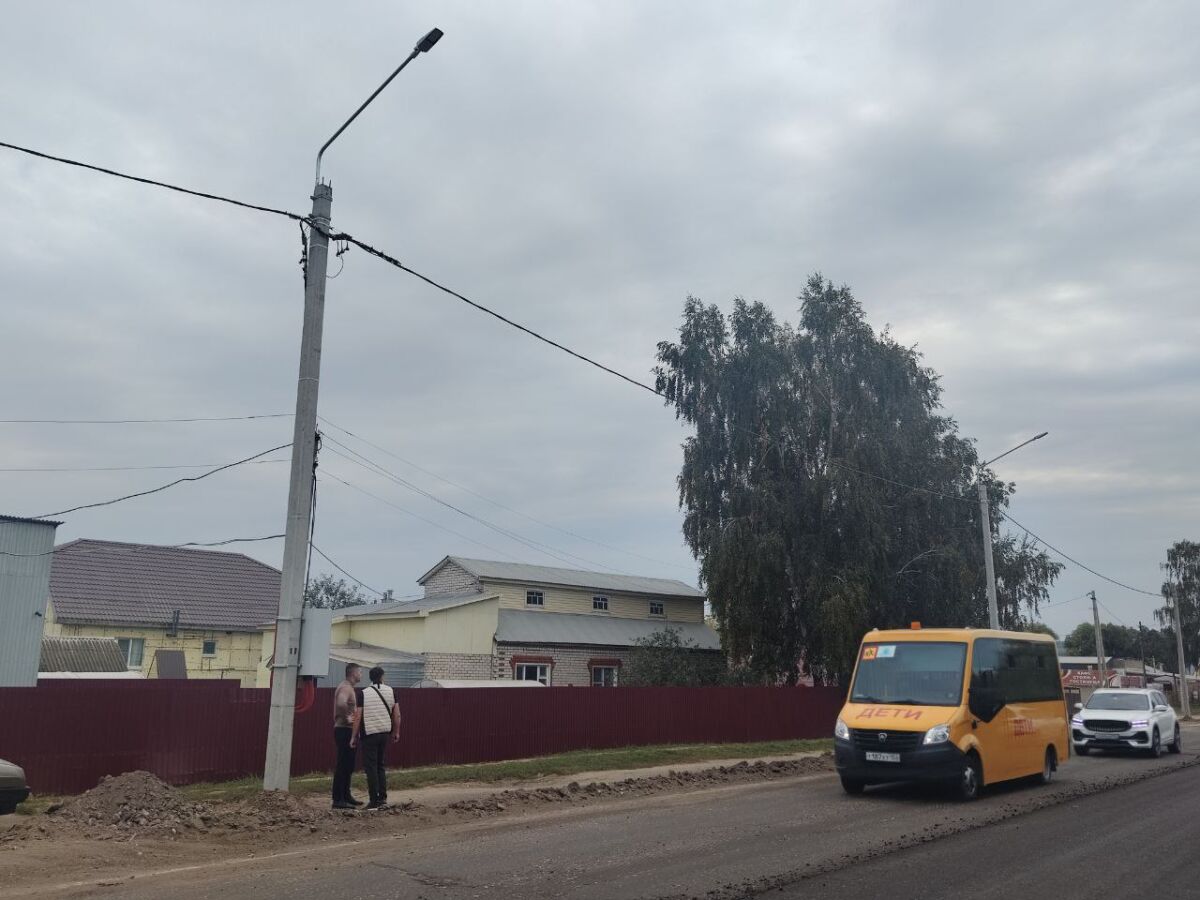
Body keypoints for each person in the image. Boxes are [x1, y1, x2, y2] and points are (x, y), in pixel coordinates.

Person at [350, 666, 401, 810]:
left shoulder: (363, 693)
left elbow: (358, 716)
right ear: (382, 676)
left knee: (371, 767)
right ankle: (383, 798)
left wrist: (353, 736)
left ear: (370, 678)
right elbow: (397, 714)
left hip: (369, 733)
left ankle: (374, 800)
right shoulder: (391, 691)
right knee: (380, 765)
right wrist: (396, 731)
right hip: (385, 732)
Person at [331, 662, 363, 810]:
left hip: (347, 730)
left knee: (348, 765)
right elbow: (341, 703)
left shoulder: (349, 687)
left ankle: (346, 795)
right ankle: (338, 799)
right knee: (342, 765)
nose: (361, 675)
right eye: (359, 672)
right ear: (353, 673)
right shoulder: (345, 688)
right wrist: (348, 717)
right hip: (344, 730)